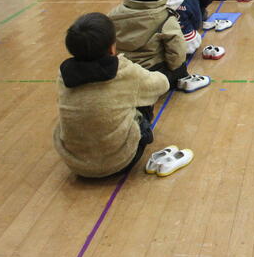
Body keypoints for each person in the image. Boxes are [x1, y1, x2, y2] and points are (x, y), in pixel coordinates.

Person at [53, 12, 168, 178]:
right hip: (121, 163)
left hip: (75, 164)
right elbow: (162, 84)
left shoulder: (63, 74)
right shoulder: (124, 70)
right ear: (112, 48)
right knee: (144, 98)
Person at [108, 0, 209, 92]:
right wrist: (177, 70)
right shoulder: (166, 17)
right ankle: (181, 80)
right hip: (153, 73)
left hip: (122, 69)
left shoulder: (113, 14)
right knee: (179, 67)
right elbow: (177, 52)